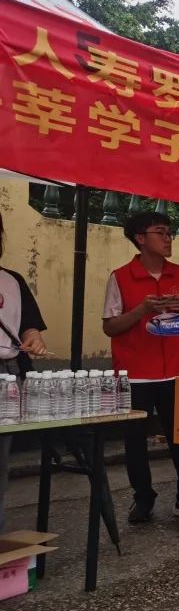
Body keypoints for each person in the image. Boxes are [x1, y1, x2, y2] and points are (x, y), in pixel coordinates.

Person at [103, 212, 179, 523]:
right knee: (135, 441)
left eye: (170, 233)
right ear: (140, 238)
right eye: (161, 232)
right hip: (136, 372)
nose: (168, 238)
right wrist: (141, 310)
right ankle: (143, 498)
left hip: (175, 371)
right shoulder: (121, 276)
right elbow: (110, 327)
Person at [0, 214, 47, 533]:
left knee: (1, 462)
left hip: (8, 373)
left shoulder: (12, 280)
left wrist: (33, 337)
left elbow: (29, 326)